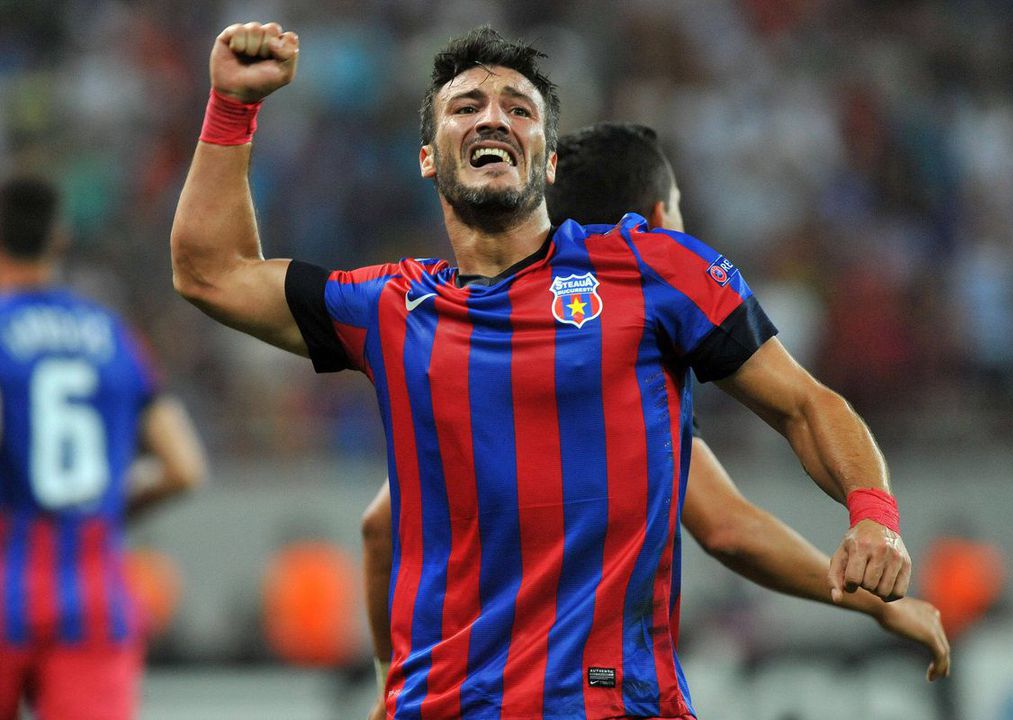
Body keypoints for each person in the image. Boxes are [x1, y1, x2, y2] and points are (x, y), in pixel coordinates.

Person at [172, 23, 915, 718]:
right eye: (466, 106)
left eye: (519, 109)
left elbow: (803, 404)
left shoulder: (650, 270)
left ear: (549, 161)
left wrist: (874, 518)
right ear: (428, 156)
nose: (493, 118)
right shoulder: (391, 308)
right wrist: (233, 106)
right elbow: (210, 272)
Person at [357, 121, 949, 717]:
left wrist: (392, 680)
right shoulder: (632, 346)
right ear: (659, 217)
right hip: (598, 692)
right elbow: (730, 527)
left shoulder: (475, 337)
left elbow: (380, 526)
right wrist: (877, 596)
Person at [0, 176, 208, 720]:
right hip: (94, 597)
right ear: (59, 238)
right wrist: (104, 506)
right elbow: (184, 467)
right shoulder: (111, 335)